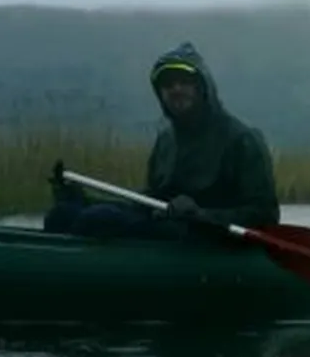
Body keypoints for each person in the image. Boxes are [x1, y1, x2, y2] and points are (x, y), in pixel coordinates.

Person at [44, 42, 282, 240]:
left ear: (202, 88)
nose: (176, 89)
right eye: (168, 84)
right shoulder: (167, 140)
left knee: (98, 220)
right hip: (167, 231)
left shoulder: (242, 140)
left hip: (210, 242)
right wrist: (84, 199)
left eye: (184, 82)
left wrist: (202, 214)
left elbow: (265, 215)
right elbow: (149, 202)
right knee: (63, 214)